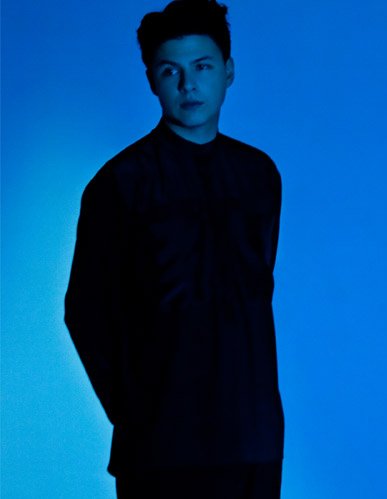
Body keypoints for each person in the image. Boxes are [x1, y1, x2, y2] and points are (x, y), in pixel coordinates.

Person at [64, 1, 284, 497]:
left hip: (254, 437)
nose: (188, 85)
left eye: (202, 67)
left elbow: (254, 293)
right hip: (161, 445)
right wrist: (139, 411)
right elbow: (85, 311)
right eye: (171, 71)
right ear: (152, 80)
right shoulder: (120, 183)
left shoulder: (259, 176)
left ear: (228, 71)